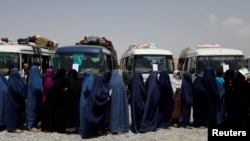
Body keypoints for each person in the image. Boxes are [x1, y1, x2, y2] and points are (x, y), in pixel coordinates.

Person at [80, 74, 110, 139]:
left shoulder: (94, 87)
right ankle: (98, 130)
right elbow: (99, 97)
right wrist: (106, 99)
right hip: (95, 111)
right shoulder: (99, 89)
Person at [6, 68, 27, 133]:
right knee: (13, 113)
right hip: (13, 101)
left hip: (18, 101)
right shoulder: (12, 81)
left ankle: (19, 124)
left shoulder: (16, 80)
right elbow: (16, 90)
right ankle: (12, 127)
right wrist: (23, 94)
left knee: (20, 113)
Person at [109, 70, 129, 134]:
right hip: (121, 101)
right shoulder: (120, 81)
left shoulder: (112, 81)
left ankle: (114, 128)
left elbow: (110, 92)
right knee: (121, 113)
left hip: (114, 101)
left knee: (114, 113)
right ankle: (121, 128)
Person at [26, 65, 44, 132]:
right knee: (33, 111)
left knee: (31, 111)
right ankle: (31, 126)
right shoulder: (36, 78)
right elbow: (38, 88)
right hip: (34, 98)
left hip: (31, 97)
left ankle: (32, 124)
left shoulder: (30, 77)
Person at [65, 69, 82, 134]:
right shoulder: (78, 83)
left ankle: (69, 129)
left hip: (69, 102)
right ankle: (75, 128)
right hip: (76, 102)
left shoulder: (68, 83)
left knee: (69, 115)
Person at [79, 69, 94, 134]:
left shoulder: (85, 79)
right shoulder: (90, 80)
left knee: (82, 115)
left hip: (82, 100)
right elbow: (89, 89)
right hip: (87, 100)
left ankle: (82, 129)